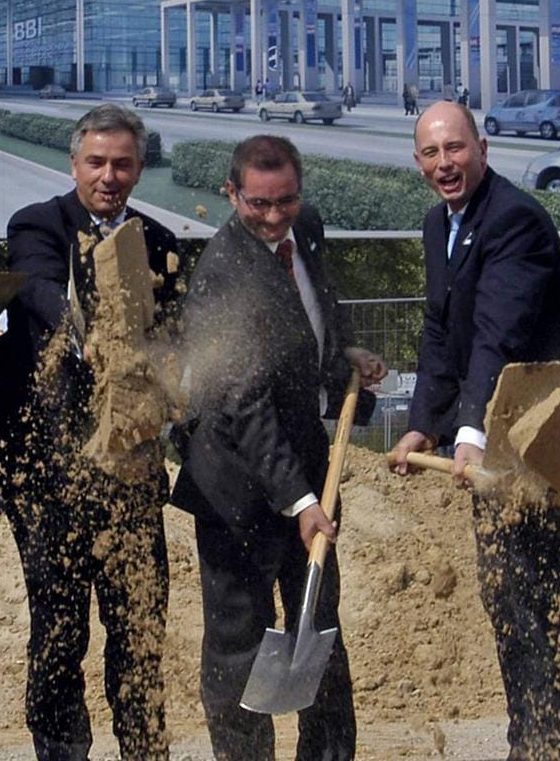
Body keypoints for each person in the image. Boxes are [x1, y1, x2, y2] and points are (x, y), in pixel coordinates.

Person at [387, 100, 560, 761]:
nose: (443, 164)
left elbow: (496, 340)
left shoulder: (516, 222)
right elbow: (443, 332)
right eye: (429, 153)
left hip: (543, 448)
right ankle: (526, 747)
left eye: (454, 148)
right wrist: (423, 426)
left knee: (544, 610)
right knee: (508, 604)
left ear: (482, 147)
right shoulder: (439, 223)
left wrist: (468, 429)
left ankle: (553, 751)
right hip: (492, 454)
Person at [172, 135, 385, 761]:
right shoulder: (221, 273)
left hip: (310, 469)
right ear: (231, 193)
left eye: (286, 201)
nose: (273, 217)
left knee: (319, 630)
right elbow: (242, 404)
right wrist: (300, 503)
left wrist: (341, 351)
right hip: (237, 487)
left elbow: (319, 304)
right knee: (238, 644)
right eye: (258, 204)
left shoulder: (307, 228)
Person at [0, 104, 182, 761]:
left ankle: (144, 752)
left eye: (122, 163)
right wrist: (90, 334)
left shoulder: (160, 241)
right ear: (74, 163)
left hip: (130, 477)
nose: (109, 175)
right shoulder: (38, 226)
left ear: (139, 167)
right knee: (59, 635)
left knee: (139, 637)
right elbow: (42, 290)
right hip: (52, 480)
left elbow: (177, 342)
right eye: (96, 162)